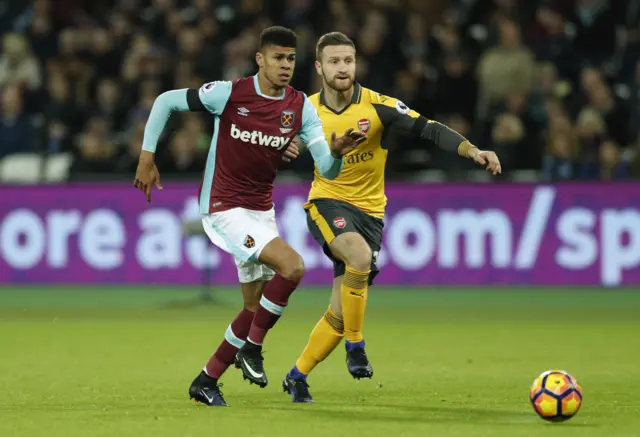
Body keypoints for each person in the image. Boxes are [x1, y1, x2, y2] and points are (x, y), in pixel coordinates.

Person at [132, 26, 366, 407]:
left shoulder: (300, 107)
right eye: (278, 57)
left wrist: (337, 152)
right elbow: (165, 102)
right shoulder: (230, 93)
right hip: (223, 207)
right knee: (293, 268)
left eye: (291, 58)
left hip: (261, 211)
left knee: (254, 309)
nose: (285, 65)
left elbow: (327, 166)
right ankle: (252, 349)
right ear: (261, 59)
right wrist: (147, 156)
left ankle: (206, 380)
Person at [282, 32, 501, 403]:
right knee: (359, 259)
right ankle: (357, 347)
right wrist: (285, 145)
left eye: (348, 61)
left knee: (339, 313)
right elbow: (274, 139)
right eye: (334, 61)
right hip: (327, 202)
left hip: (370, 214)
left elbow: (428, 128)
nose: (342, 68)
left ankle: (296, 376)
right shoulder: (305, 109)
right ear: (319, 67)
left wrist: (472, 150)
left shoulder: (379, 107)